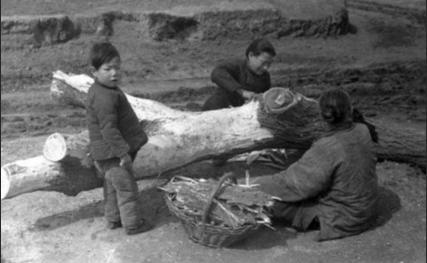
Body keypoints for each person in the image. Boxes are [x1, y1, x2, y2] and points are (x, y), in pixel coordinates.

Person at [254, 89, 379, 241]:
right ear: (350, 110)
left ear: (322, 116)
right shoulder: (363, 130)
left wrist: (256, 184)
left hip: (345, 217)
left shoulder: (327, 146)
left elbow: (296, 184)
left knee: (269, 201)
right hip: (367, 208)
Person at [86, 42, 153, 235]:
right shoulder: (104, 97)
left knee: (112, 187)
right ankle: (133, 224)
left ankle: (113, 219)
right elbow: (109, 130)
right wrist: (123, 153)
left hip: (106, 155)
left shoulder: (103, 90)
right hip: (113, 155)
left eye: (117, 68)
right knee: (126, 188)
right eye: (108, 69)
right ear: (94, 71)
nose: (114, 73)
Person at [202, 38, 276, 110]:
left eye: (269, 64)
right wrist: (242, 92)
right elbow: (217, 73)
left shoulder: (265, 77)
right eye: (263, 63)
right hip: (216, 110)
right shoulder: (236, 65)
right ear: (251, 55)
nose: (266, 68)